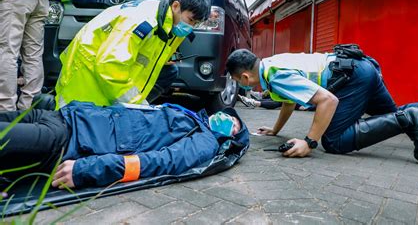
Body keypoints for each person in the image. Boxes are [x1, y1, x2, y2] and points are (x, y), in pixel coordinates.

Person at [226, 48, 418, 160]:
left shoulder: (276, 77)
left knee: (333, 141)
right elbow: (290, 103)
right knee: (392, 117)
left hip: (352, 78)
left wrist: (309, 142)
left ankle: (410, 119)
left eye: (239, 81)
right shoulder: (271, 64)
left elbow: (328, 100)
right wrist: (276, 130)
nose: (243, 85)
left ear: (244, 77)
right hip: (360, 68)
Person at [0, 100, 248, 189]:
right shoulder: (193, 117)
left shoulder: (205, 142)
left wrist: (87, 170)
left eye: (234, 126)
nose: (228, 120)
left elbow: (159, 163)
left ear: (230, 139)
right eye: (231, 116)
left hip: (68, 140)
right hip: (67, 116)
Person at [55, 0, 211, 109]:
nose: (191, 27)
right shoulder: (143, 22)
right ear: (176, 6)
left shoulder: (167, 20)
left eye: (196, 23)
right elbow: (110, 66)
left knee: (169, 71)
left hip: (101, 73)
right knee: (77, 133)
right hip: (84, 78)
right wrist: (136, 105)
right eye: (191, 20)